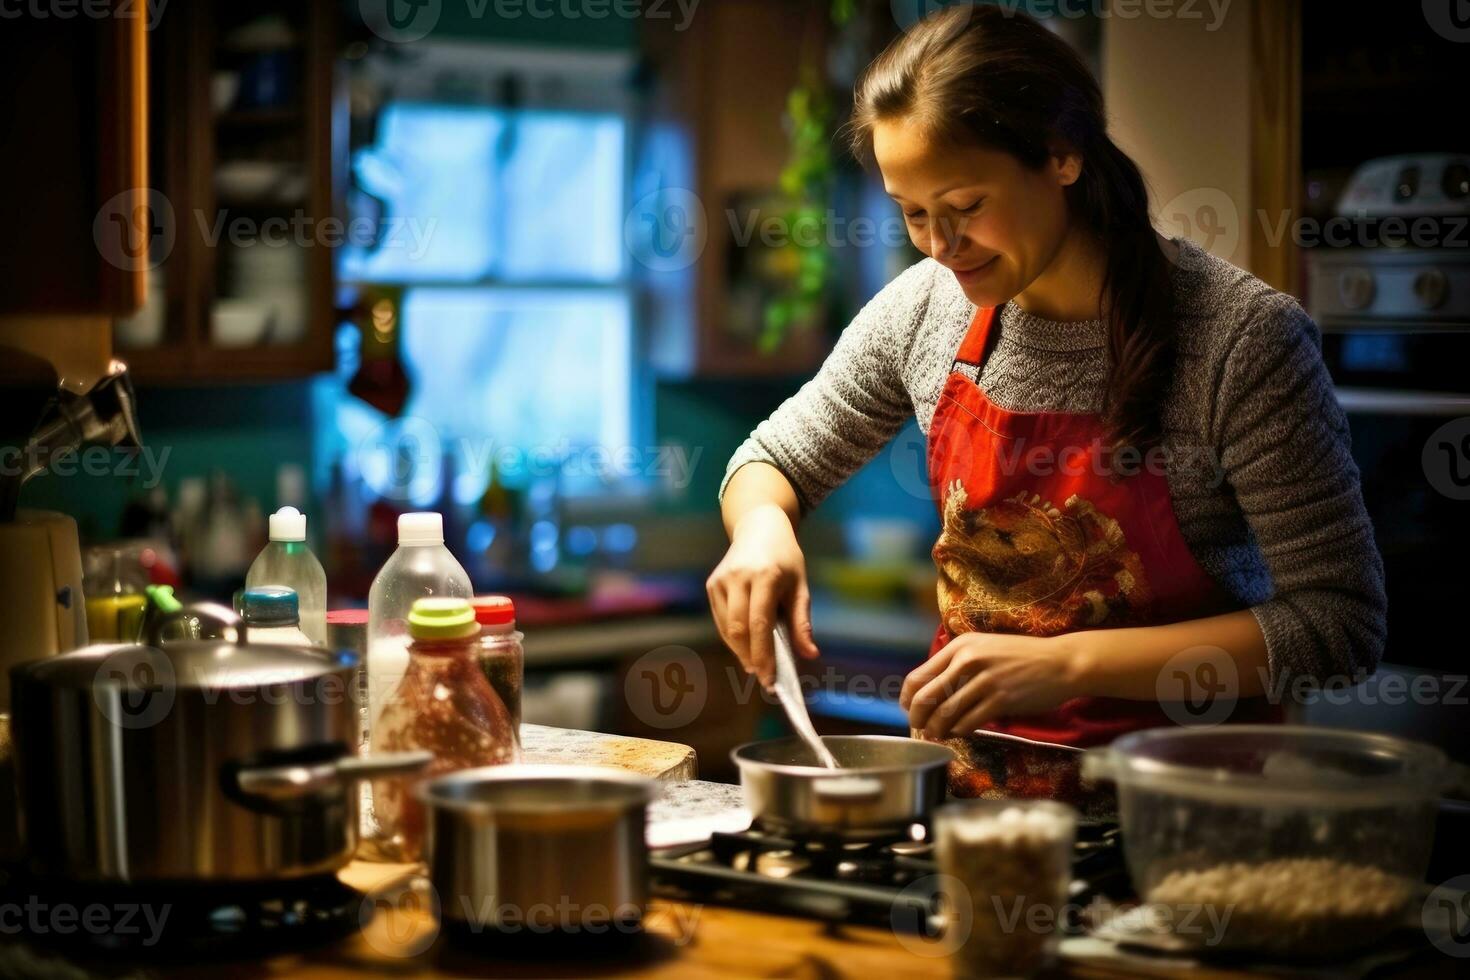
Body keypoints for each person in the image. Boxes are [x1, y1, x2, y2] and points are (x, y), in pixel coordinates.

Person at [706, 5, 1384, 791]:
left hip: (1184, 816)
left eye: (964, 208)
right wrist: (760, 528)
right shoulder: (925, 310)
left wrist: (1066, 663)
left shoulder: (1241, 341)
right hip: (983, 819)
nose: (939, 246)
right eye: (911, 212)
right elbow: (775, 456)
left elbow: (1339, 622)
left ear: (1062, 157)